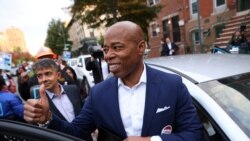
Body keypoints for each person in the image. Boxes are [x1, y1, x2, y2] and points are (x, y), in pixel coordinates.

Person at [24, 21, 203, 141]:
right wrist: (47, 118)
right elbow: (76, 133)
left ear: (141, 47)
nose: (108, 56)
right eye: (105, 49)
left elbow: (194, 134)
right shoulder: (98, 94)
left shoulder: (172, 85)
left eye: (117, 48)